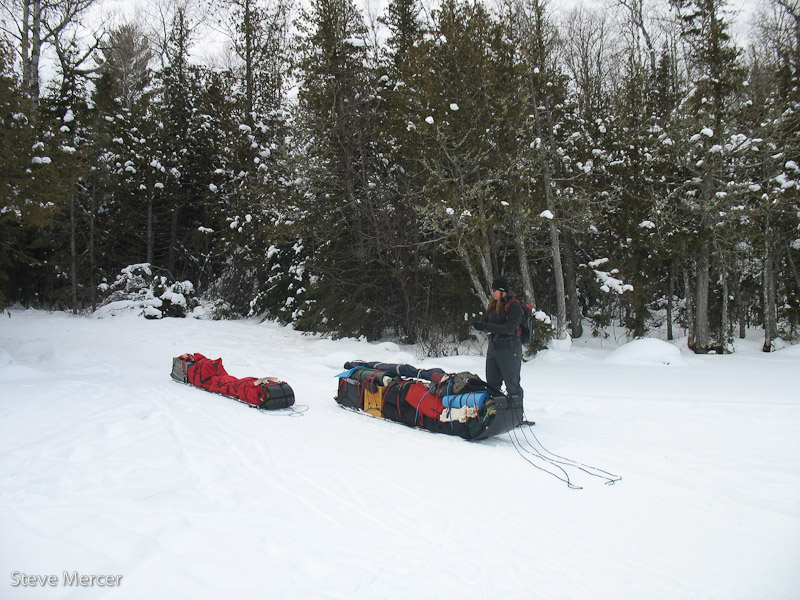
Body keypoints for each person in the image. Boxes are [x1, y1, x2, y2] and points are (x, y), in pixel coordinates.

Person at [472, 276, 524, 404]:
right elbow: (487, 322)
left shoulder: (514, 306)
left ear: (502, 291)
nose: (492, 293)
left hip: (510, 349)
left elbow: (508, 328)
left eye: (494, 290)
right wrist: (480, 325)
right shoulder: (493, 306)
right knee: (492, 384)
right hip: (493, 349)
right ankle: (496, 411)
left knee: (512, 385)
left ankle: (516, 412)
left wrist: (486, 326)